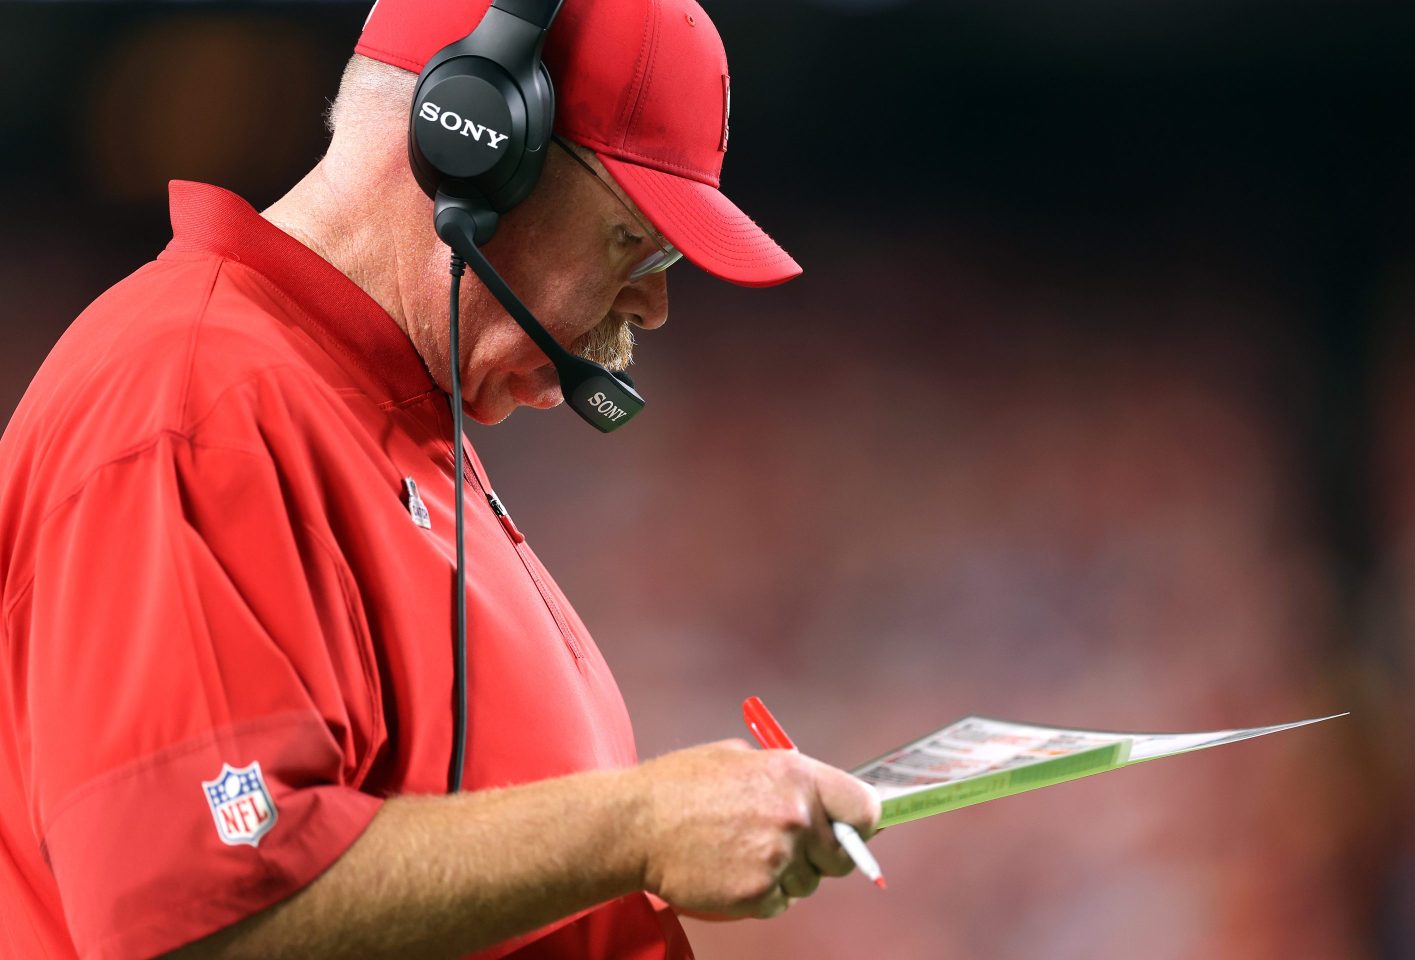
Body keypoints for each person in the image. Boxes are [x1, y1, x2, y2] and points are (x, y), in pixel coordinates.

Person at [0, 0, 881, 958]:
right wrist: (639, 827)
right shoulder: (196, 406)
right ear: (474, 148)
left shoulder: (370, 406)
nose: (657, 305)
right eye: (635, 240)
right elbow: (195, 915)